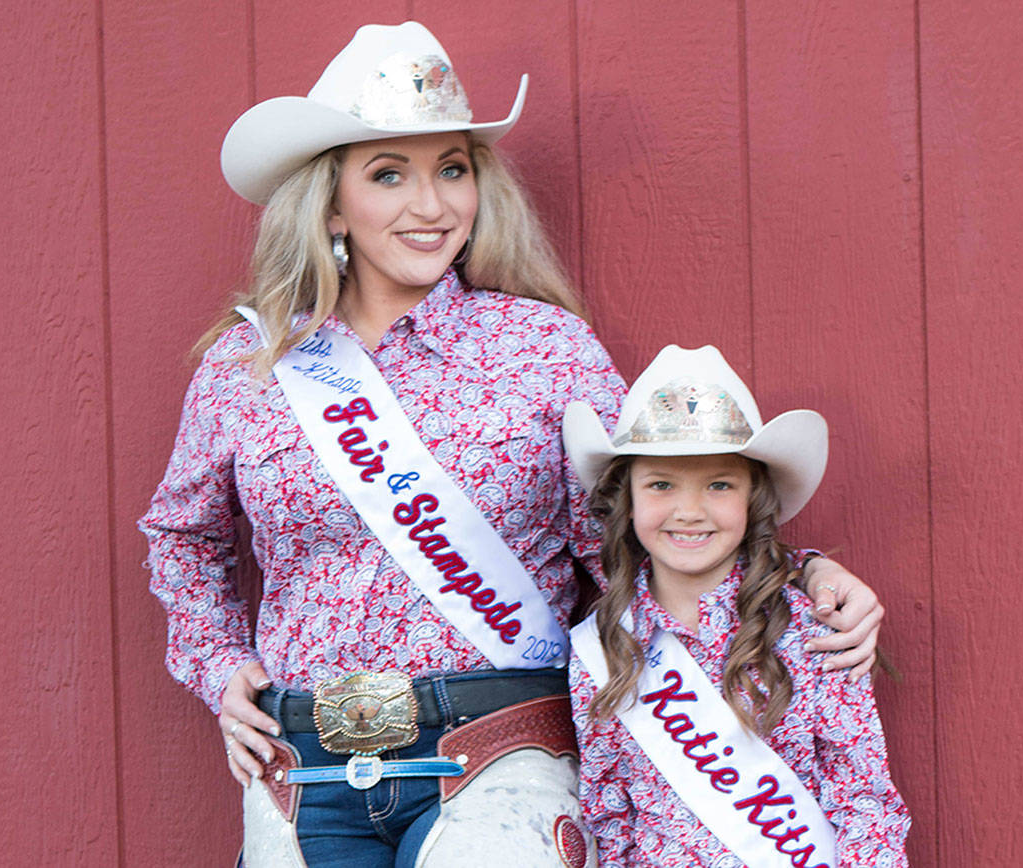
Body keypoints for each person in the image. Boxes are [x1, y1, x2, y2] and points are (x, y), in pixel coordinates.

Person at [139, 21, 885, 868]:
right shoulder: (251, 366)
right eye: (390, 175)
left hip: (507, 744)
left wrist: (801, 575)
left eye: (452, 170)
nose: (432, 206)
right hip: (303, 764)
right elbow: (183, 537)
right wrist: (218, 666)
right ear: (331, 202)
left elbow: (632, 538)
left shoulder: (545, 350)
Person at [565, 345, 910, 867]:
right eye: (661, 484)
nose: (689, 511)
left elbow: (864, 804)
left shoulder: (812, 631)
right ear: (627, 499)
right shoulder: (604, 646)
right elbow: (609, 818)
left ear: (753, 500)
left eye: (719, 485)